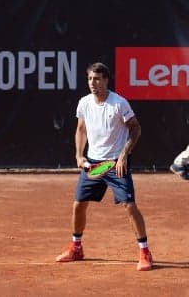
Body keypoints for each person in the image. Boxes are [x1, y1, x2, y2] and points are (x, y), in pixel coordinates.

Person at [55, 62, 153, 271]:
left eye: (97, 79)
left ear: (106, 80)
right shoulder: (84, 103)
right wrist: (79, 155)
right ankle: (76, 247)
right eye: (90, 79)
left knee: (129, 205)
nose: (93, 83)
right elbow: (81, 130)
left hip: (114, 164)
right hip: (94, 165)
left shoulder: (119, 103)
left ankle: (144, 252)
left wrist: (124, 154)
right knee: (79, 204)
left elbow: (136, 129)